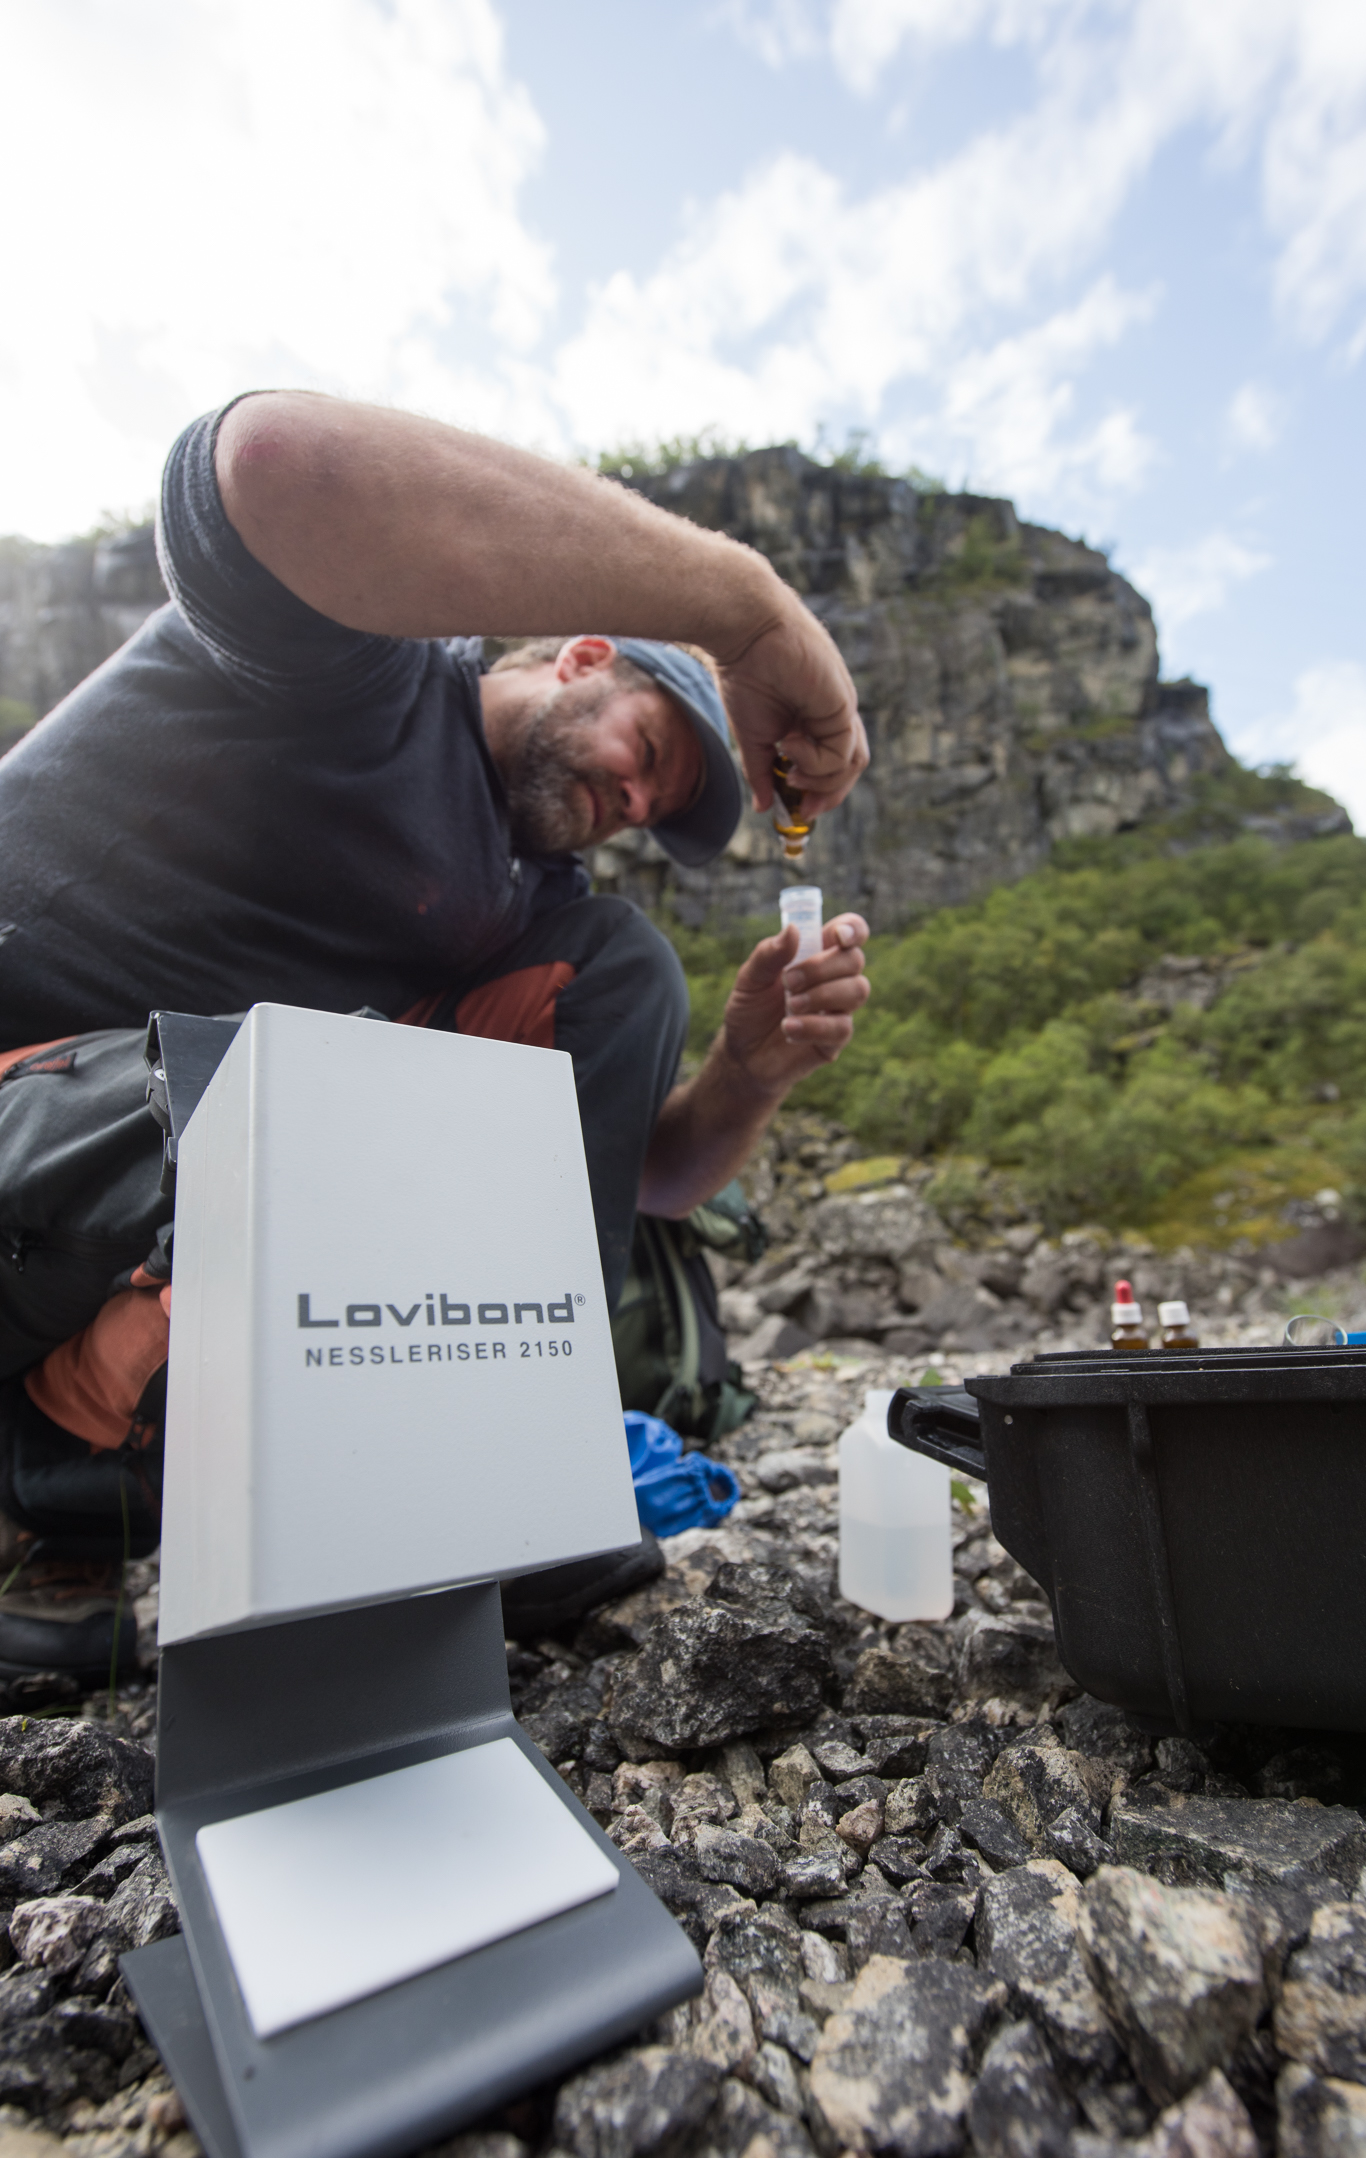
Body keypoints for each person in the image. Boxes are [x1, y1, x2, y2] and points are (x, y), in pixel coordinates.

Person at [0, 390, 872, 1676]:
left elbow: (646, 1177)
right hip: (44, 1117)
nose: (633, 796)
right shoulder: (361, 668)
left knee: (623, 969)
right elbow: (277, 464)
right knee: (288, 1091)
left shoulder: (533, 905)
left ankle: (509, 1459)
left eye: (654, 806)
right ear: (581, 655)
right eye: (647, 750)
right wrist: (748, 611)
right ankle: (51, 1490)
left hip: (217, 1154)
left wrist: (747, 1073)